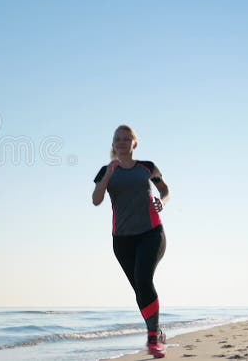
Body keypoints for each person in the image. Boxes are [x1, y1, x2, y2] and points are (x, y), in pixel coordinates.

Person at [92, 125, 170, 359]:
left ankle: (152, 339)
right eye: (118, 139)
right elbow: (96, 200)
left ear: (134, 143)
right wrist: (108, 174)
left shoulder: (147, 167)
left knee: (144, 280)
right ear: (113, 144)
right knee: (139, 289)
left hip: (152, 232)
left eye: (127, 138)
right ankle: (156, 329)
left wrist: (162, 202)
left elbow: (165, 189)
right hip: (123, 240)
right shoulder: (106, 170)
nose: (123, 141)